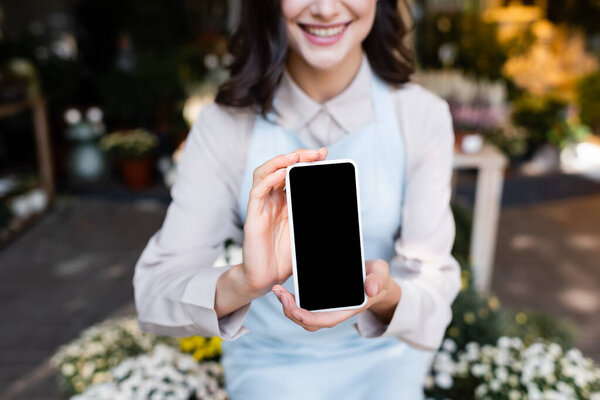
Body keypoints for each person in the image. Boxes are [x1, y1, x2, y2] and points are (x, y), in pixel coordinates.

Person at [133, 0, 462, 399]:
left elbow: (434, 286)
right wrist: (244, 281)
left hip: (387, 364)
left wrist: (385, 295)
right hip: (270, 369)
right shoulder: (224, 125)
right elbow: (154, 293)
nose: (324, 8)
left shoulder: (421, 116)